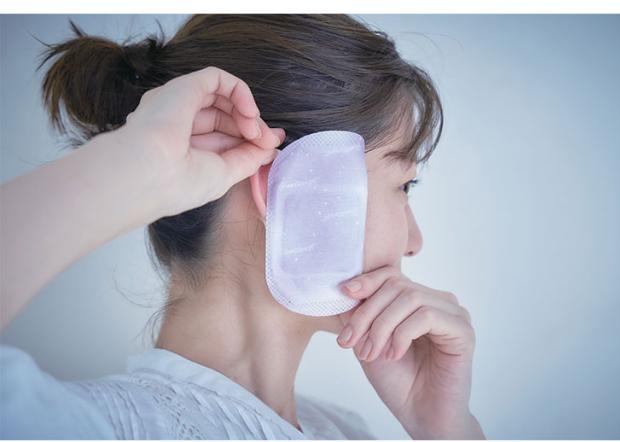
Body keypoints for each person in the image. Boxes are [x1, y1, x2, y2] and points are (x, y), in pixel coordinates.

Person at [0, 14, 485, 440]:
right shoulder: (96, 429)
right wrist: (133, 163)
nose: (415, 242)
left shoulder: (347, 430)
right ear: (296, 186)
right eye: (403, 186)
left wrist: (447, 432)